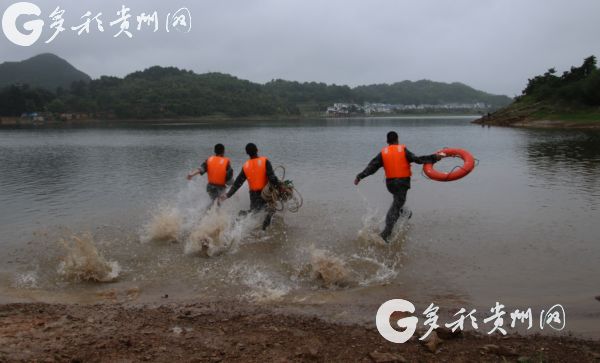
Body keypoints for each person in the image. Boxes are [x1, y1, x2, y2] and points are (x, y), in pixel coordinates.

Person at [354, 131, 447, 242]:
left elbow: (372, 167)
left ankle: (404, 213)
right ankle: (385, 233)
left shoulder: (383, 153)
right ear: (397, 139)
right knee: (396, 206)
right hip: (402, 183)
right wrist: (435, 157)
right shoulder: (402, 150)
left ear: (387, 141)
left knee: (398, 202)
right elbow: (418, 159)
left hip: (391, 184)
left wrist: (360, 176)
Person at [220, 143, 282, 230]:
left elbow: (237, 183)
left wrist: (227, 195)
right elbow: (272, 178)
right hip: (265, 193)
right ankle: (264, 230)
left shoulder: (246, 166)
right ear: (257, 149)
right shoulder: (265, 161)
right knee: (271, 210)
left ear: (247, 153)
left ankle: (241, 216)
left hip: (253, 195)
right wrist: (280, 186)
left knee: (254, 212)